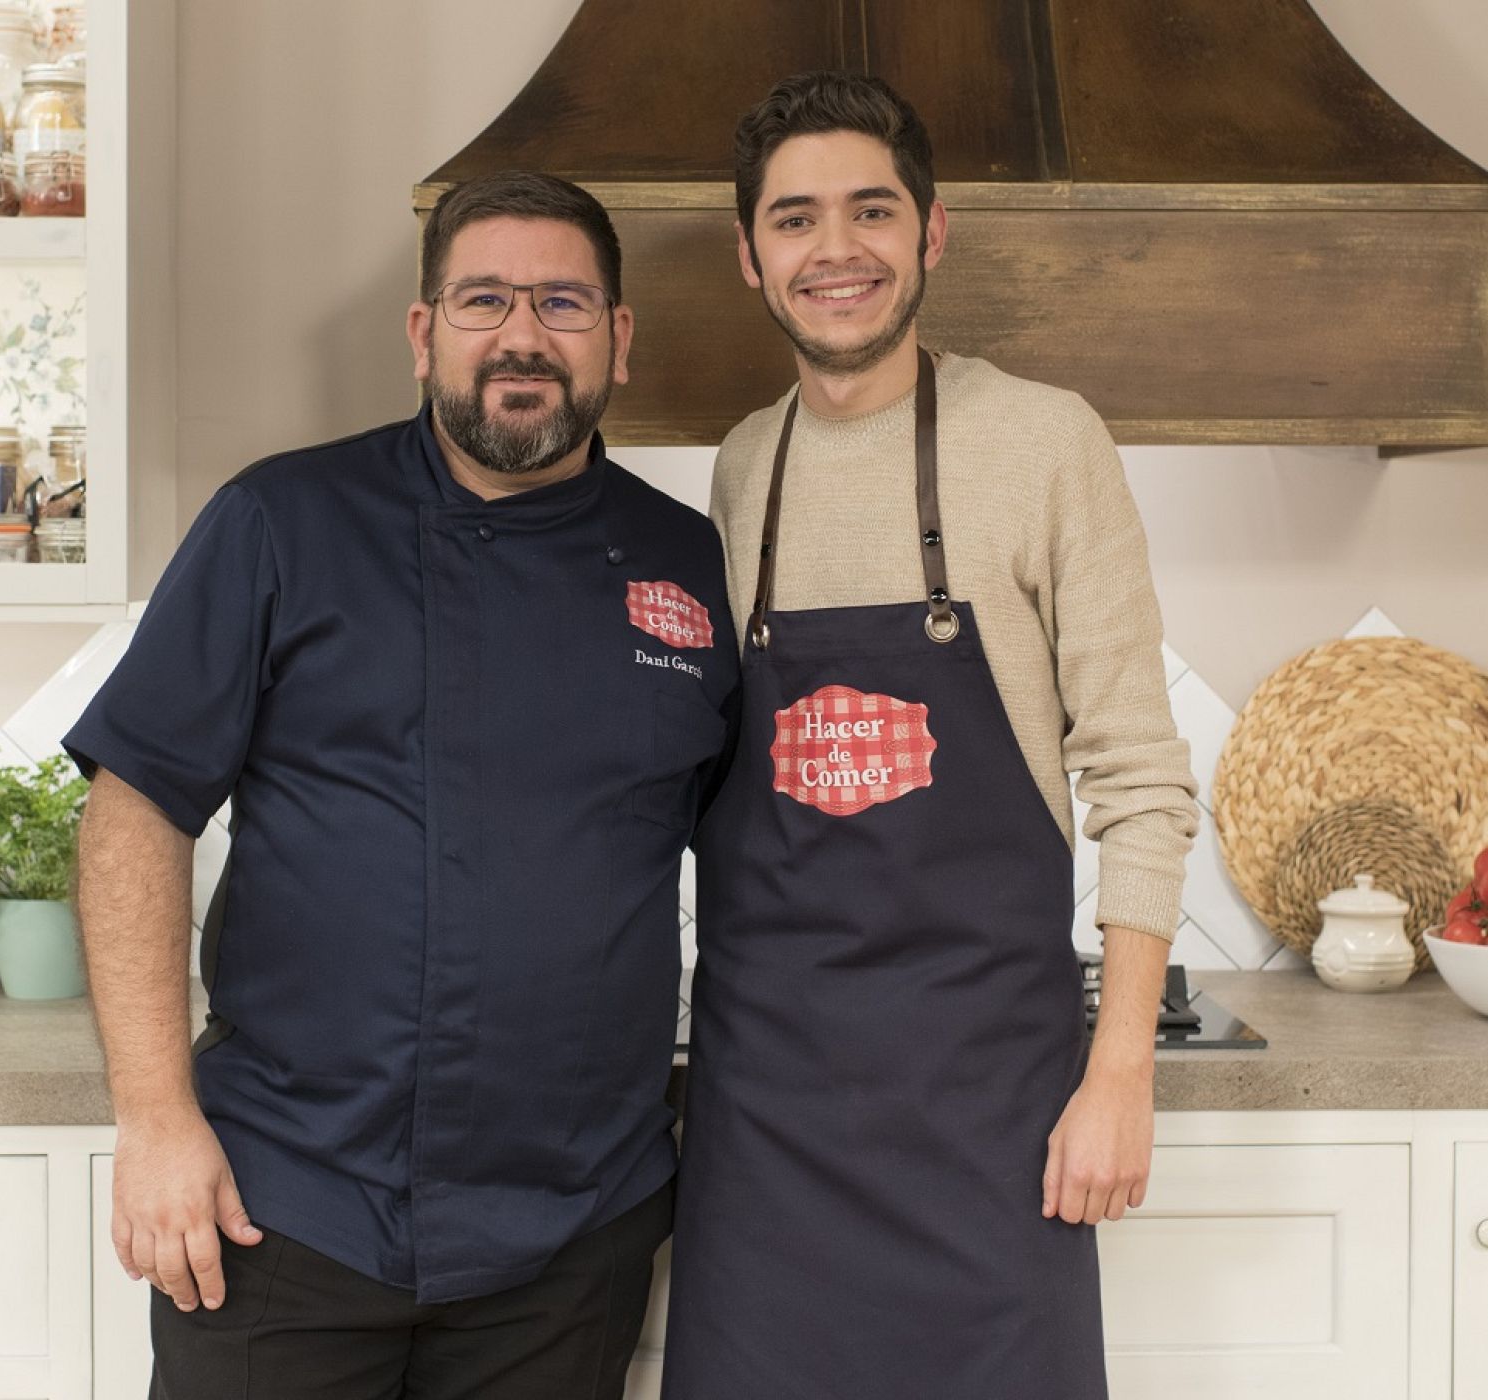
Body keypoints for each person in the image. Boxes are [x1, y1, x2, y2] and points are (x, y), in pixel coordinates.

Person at [65, 171, 738, 1400]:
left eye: (563, 303)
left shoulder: (685, 560)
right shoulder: (281, 519)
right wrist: (155, 1114)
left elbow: (746, 863)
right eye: (483, 299)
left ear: (619, 340)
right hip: (285, 1213)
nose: (522, 335)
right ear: (424, 334)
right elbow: (133, 807)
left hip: (572, 1235)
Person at [660, 72, 1199, 1400]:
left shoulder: (1042, 441)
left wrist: (1118, 1072)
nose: (833, 251)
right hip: (766, 1121)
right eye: (794, 220)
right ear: (750, 256)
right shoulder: (744, 465)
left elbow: (1138, 775)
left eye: (869, 211)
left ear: (930, 233)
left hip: (986, 1120)